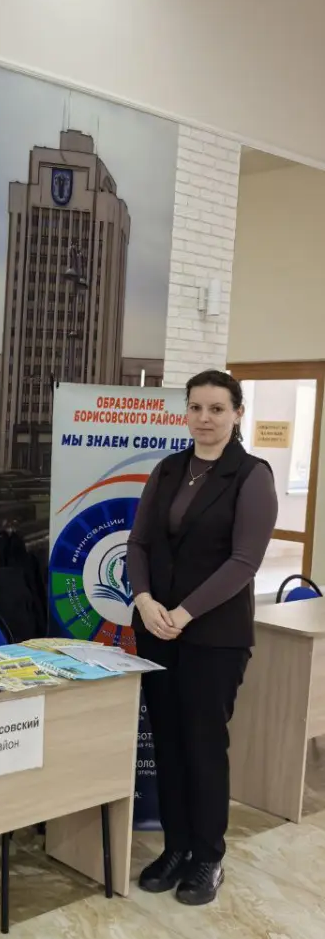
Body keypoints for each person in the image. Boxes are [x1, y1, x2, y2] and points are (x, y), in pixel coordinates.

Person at [127, 369, 277, 907]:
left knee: (204, 745)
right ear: (185, 412)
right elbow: (139, 544)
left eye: (217, 408)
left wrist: (184, 613)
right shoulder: (168, 469)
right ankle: (176, 848)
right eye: (196, 407)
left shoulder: (251, 475)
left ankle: (208, 855)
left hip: (214, 637)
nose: (204, 418)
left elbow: (244, 561)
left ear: (237, 414)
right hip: (158, 630)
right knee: (168, 742)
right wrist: (145, 601)